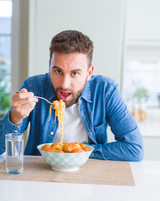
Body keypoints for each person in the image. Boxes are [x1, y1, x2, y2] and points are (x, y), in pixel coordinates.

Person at [0, 30, 144, 161]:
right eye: (58, 71)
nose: (64, 84)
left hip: (89, 173)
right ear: (49, 67)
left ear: (89, 73)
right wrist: (15, 117)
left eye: (75, 73)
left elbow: (134, 148)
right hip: (41, 173)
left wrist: (79, 152)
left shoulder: (105, 91)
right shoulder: (34, 87)